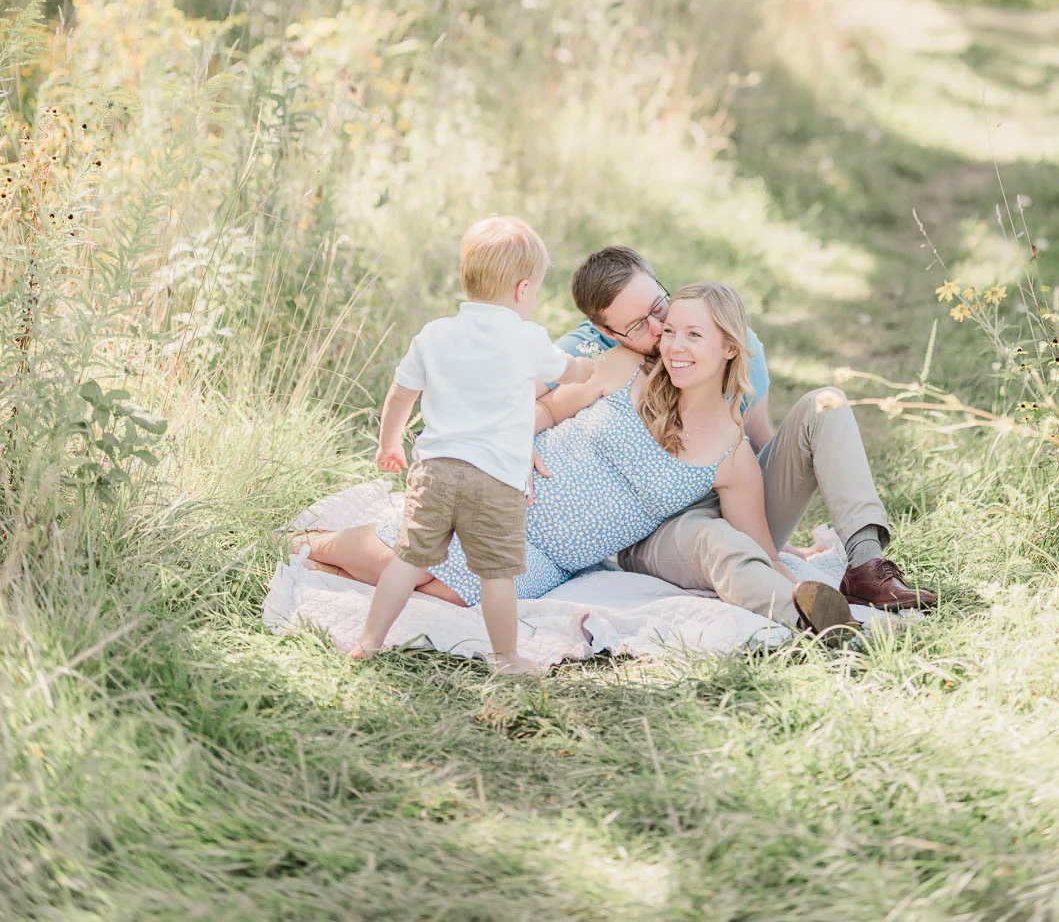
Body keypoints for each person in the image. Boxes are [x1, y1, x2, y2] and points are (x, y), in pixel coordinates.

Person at [294, 282, 858, 639]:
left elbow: (759, 545)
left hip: (555, 554)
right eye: (671, 333)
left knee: (449, 590)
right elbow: (546, 409)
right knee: (410, 560)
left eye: (694, 335)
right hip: (516, 490)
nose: (674, 346)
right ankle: (316, 544)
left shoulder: (733, 459)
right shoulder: (624, 370)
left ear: (730, 347)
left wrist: (791, 577)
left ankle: (820, 622)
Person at [559, 246, 936, 614]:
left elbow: (760, 439)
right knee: (713, 537)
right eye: (639, 325)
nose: (660, 331)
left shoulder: (729, 337)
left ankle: (867, 566)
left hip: (733, 487)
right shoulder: (590, 352)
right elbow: (523, 394)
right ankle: (802, 613)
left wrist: (765, 532)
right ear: (605, 329)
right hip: (663, 526)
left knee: (827, 403)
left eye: (659, 308)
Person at [347, 214, 594, 672]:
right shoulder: (526, 337)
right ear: (522, 290)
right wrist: (587, 368)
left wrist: (391, 443)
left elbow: (401, 394)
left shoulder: (435, 334)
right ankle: (506, 657)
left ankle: (369, 639)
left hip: (435, 471)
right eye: (535, 290)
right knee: (497, 575)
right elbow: (566, 371)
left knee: (407, 558)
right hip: (496, 481)